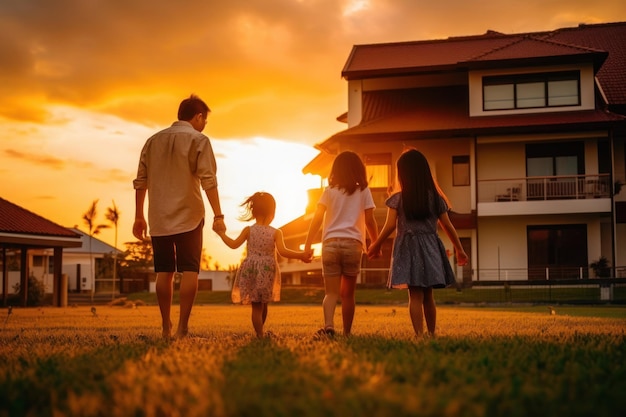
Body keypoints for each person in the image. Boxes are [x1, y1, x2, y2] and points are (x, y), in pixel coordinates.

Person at [132, 94, 225, 339]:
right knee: (190, 271)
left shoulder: (152, 141)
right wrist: (218, 215)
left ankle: (165, 327)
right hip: (189, 215)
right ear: (198, 116)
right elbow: (209, 181)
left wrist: (138, 216)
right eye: (204, 120)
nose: (204, 125)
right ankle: (183, 328)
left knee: (164, 271)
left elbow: (141, 181)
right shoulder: (199, 140)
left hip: (159, 216)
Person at [367, 149, 468, 337]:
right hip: (431, 248)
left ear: (402, 173)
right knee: (428, 295)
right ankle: (431, 333)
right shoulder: (436, 199)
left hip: (408, 248)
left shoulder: (398, 199)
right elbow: (447, 225)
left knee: (415, 295)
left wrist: (376, 244)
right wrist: (460, 250)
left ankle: (419, 335)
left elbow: (389, 226)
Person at [303, 151, 379, 337]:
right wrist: (375, 243)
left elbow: (317, 219)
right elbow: (370, 220)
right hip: (353, 245)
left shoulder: (329, 192)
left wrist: (307, 244)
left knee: (331, 293)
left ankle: (329, 325)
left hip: (329, 245)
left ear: (335, 170)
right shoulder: (363, 191)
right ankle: (346, 333)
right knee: (348, 294)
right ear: (359, 170)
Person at [216, 192, 311, 338]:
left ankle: (259, 333)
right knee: (262, 305)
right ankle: (260, 334)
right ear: (272, 212)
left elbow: (234, 245)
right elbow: (283, 251)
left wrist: (222, 234)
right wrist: (301, 255)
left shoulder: (249, 230)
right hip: (267, 272)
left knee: (258, 306)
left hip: (251, 271)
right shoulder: (275, 232)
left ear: (254, 212)